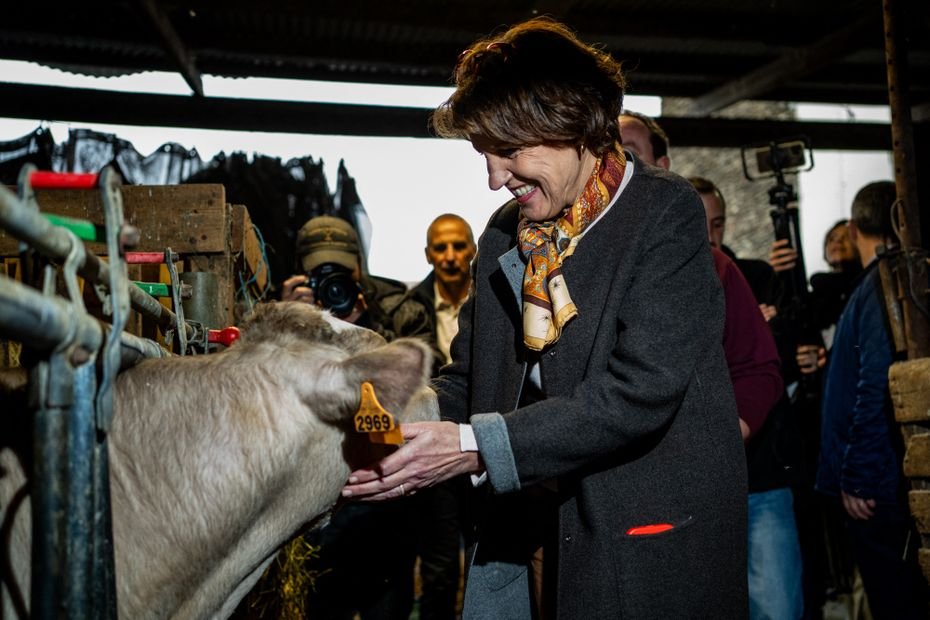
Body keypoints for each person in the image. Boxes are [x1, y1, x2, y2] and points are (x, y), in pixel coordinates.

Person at [343, 18, 748, 619]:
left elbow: (639, 392)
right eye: (484, 156)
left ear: (571, 121)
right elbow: (470, 377)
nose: (492, 180)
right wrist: (391, 411)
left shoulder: (664, 212)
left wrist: (472, 447)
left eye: (508, 152)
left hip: (638, 533)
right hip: (531, 525)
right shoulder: (507, 234)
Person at [282, 214, 419, 620]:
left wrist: (362, 332)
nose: (333, 285)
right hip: (319, 502)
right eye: (320, 273)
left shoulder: (398, 309)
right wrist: (289, 326)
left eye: (341, 270)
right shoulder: (289, 314)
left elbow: (421, 397)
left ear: (359, 264)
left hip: (387, 492)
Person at [817, 180, 929, 619]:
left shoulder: (883, 285)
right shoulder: (880, 283)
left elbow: (879, 386)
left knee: (897, 601)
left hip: (878, 488)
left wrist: (860, 477)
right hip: (882, 480)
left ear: (853, 227)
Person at [391, 214, 477, 620]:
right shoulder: (411, 309)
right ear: (428, 254)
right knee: (438, 563)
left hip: (485, 439)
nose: (449, 256)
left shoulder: (495, 299)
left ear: (473, 250)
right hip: (435, 442)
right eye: (440, 247)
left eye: (458, 246)